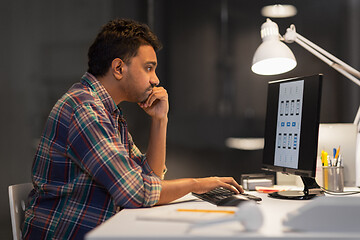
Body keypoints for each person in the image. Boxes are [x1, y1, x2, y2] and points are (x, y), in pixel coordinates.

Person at [22, 18, 243, 240]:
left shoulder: (107, 111)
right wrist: (199, 184)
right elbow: (136, 194)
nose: (155, 80)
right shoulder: (85, 109)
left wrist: (159, 120)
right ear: (118, 68)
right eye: (148, 68)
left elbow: (150, 179)